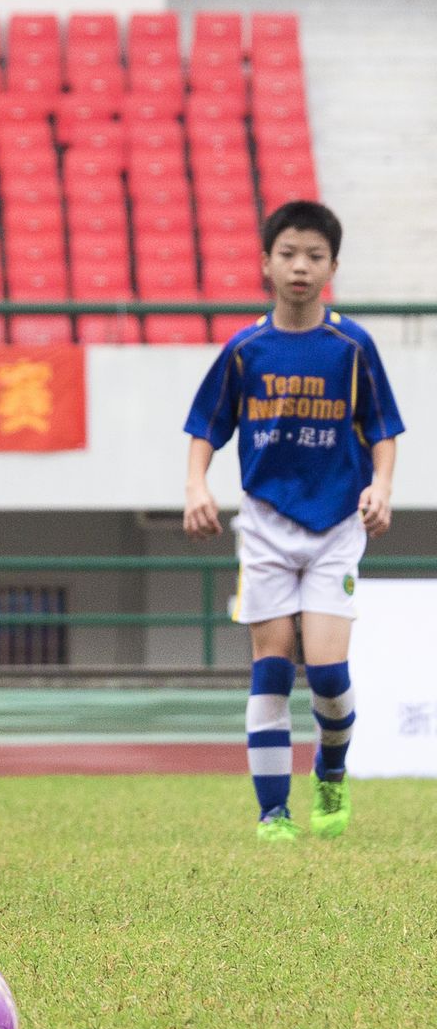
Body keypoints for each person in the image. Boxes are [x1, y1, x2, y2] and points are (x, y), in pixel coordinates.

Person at [184, 200, 404, 842]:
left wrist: (381, 486)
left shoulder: (352, 347)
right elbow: (206, 427)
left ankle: (331, 772)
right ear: (266, 264)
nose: (300, 267)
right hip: (265, 528)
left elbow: (383, 429)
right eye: (288, 254)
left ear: (333, 267)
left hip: (335, 526)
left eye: (314, 256)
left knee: (329, 678)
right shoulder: (245, 349)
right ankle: (273, 814)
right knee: (273, 668)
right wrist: (196, 484)